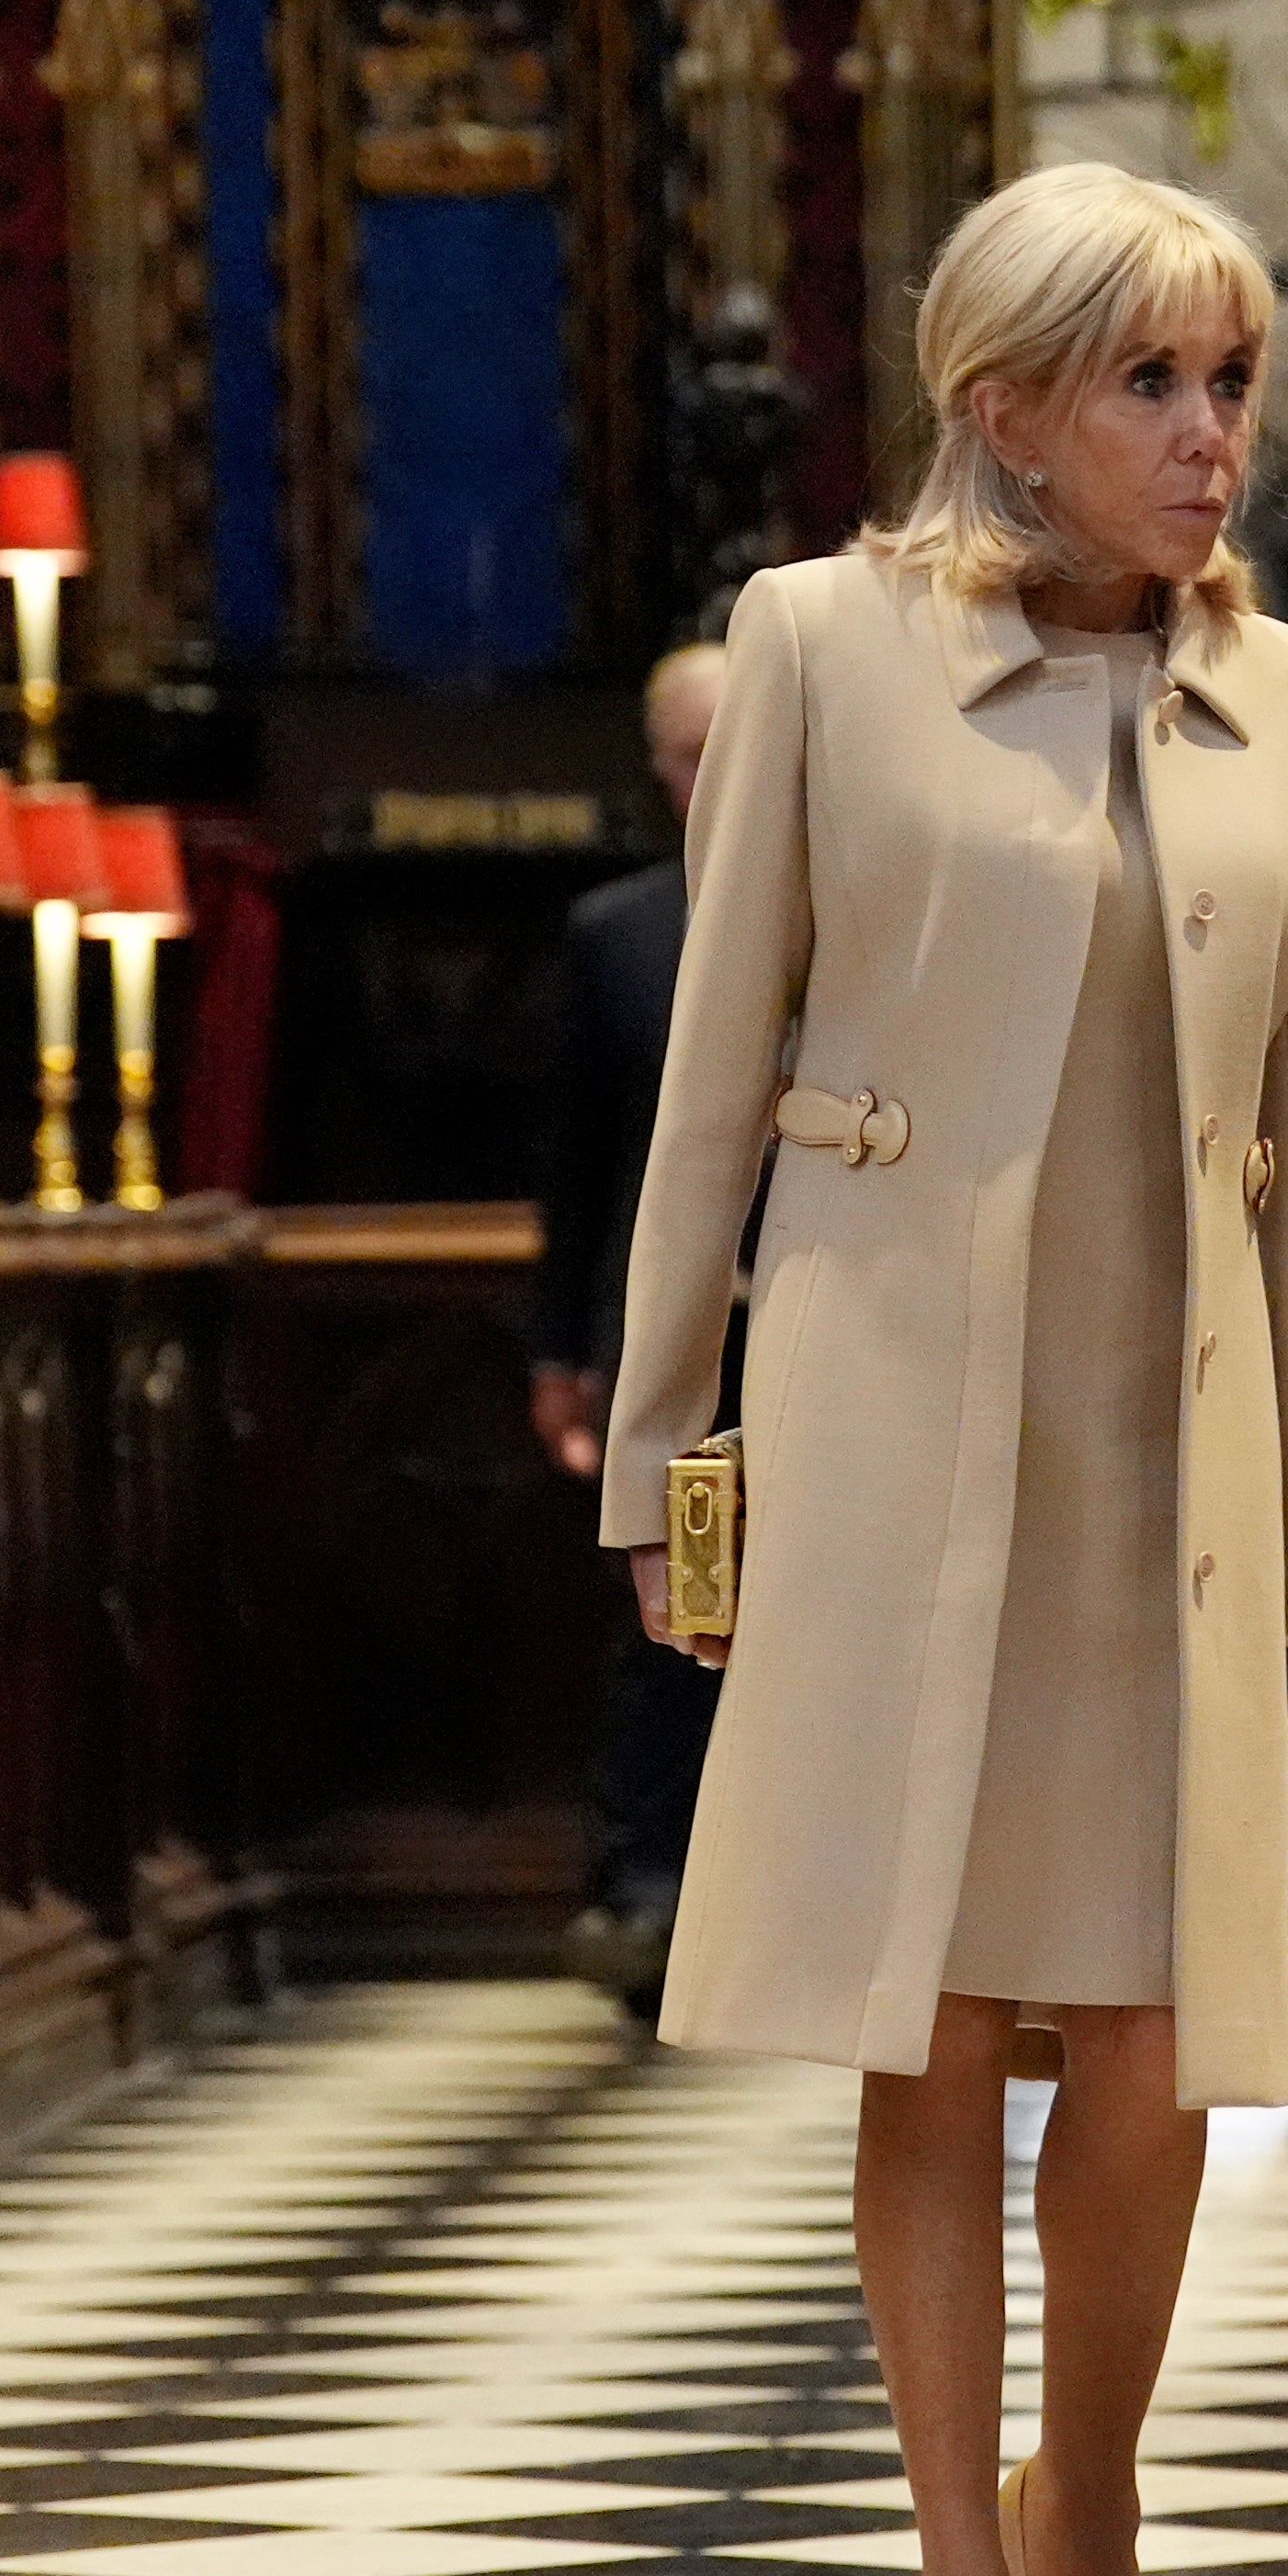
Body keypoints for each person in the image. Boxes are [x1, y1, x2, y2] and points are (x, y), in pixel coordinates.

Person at [601, 159, 1288, 2576]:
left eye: (1235, 383)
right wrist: (652, 1443)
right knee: (932, 2030)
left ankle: (1094, 2505)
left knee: (1160, 2049)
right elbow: (712, 1073)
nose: (1215, 440)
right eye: (1158, 386)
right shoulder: (822, 651)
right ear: (1006, 411)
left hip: (1172, 1450)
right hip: (877, 1421)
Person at [532, 640, 730, 2015]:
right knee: (684, 1609)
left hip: (830, 1322)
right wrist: (561, 1350)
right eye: (692, 754)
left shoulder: (864, 908)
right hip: (671, 1336)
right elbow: (580, 1161)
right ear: (659, 772)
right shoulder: (624, 935)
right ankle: (650, 1880)